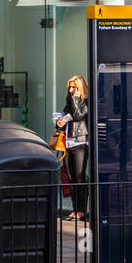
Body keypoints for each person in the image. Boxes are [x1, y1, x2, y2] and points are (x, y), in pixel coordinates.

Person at [57, 75, 90, 221]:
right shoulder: (69, 101)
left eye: (73, 87)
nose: (70, 90)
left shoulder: (85, 102)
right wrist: (59, 121)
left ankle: (82, 210)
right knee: (70, 178)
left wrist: (75, 99)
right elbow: (67, 118)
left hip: (80, 143)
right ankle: (75, 209)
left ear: (80, 88)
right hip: (68, 143)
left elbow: (77, 116)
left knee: (79, 176)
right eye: (69, 87)